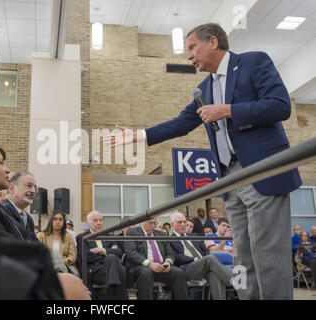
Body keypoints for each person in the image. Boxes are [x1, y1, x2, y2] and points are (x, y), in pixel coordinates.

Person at [105, 23, 301, 299]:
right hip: (231, 180)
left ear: (212, 41)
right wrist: (139, 135)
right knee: (243, 256)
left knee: (267, 254)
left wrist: (229, 110)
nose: (188, 56)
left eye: (192, 47)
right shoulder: (204, 88)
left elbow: (280, 105)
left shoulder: (254, 62)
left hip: (261, 171)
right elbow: (180, 124)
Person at [169, 213, 232, 300]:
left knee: (214, 274)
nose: (183, 224)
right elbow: (176, 256)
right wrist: (195, 259)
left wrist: (203, 259)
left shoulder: (194, 236)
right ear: (173, 225)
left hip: (203, 264)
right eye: (180, 222)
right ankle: (231, 278)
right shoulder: (169, 239)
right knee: (210, 258)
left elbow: (205, 250)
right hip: (187, 268)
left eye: (184, 222)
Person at [124, 218, 188, 300]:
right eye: (150, 223)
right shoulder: (133, 232)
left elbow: (170, 253)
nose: (153, 226)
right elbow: (131, 252)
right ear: (143, 222)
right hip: (141, 267)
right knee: (146, 273)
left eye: (155, 223)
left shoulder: (161, 234)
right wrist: (149, 264)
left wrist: (168, 262)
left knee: (179, 273)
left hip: (161, 267)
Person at [76, 211, 127, 299]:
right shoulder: (82, 237)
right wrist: (109, 251)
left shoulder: (109, 236)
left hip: (109, 269)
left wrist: (102, 250)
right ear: (88, 223)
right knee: (119, 267)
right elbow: (85, 256)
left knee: (113, 261)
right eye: (95, 220)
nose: (98, 222)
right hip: (95, 270)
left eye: (100, 220)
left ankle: (111, 293)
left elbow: (119, 252)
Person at [0, 172, 39, 242]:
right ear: (11, 188)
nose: (33, 191)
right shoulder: (1, 212)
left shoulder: (28, 219)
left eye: (35, 188)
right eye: (29, 185)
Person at [37, 211, 78, 276]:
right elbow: (38, 254)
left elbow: (73, 256)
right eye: (55, 219)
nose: (58, 222)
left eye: (60, 219)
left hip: (64, 266)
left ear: (63, 222)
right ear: (51, 221)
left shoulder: (68, 236)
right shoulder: (41, 235)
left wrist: (65, 261)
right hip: (47, 266)